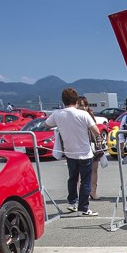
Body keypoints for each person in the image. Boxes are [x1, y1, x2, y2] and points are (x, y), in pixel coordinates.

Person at [46, 87, 100, 215]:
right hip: (85, 152)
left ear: (63, 101)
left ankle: (72, 202)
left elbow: (47, 124)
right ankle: (84, 207)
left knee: (72, 179)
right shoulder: (83, 114)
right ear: (76, 101)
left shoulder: (58, 114)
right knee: (85, 182)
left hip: (69, 152)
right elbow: (96, 131)